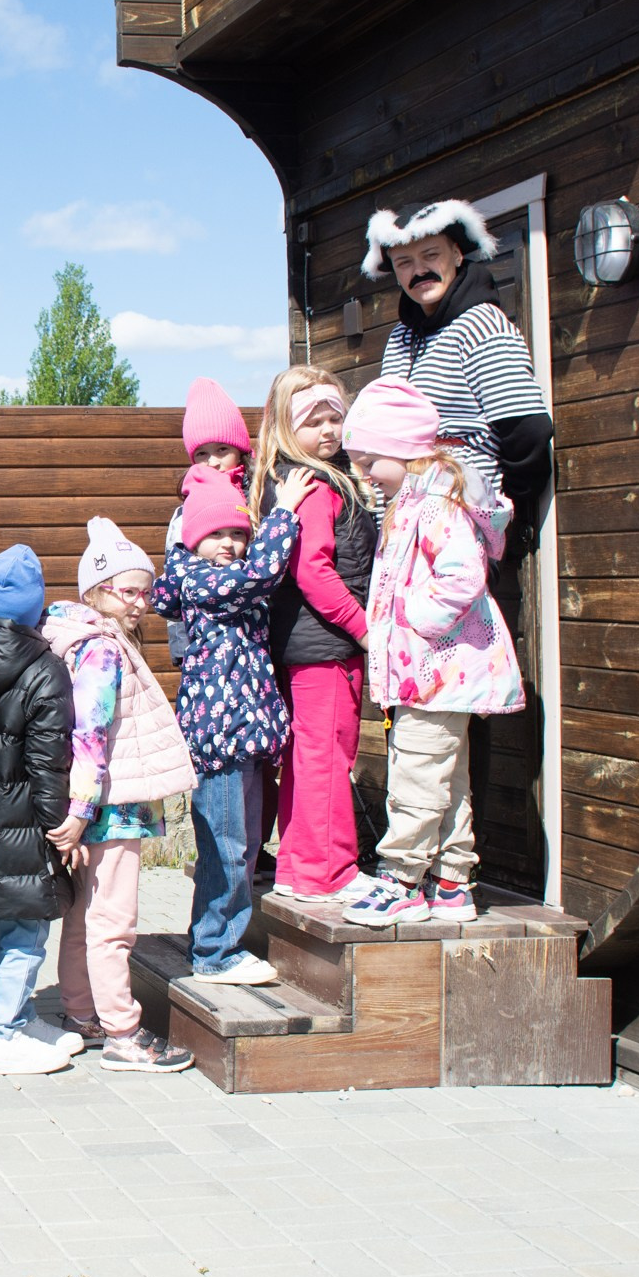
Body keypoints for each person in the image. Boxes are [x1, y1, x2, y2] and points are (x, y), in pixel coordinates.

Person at [339, 379, 524, 928]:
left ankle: (400, 880)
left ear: (404, 449)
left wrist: (414, 620)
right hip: (436, 673)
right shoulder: (414, 502)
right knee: (449, 778)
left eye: (370, 459)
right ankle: (451, 884)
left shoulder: (436, 507)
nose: (365, 473)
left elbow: (462, 577)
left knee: (416, 774)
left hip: (436, 669)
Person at [42, 518, 197, 1072]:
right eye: (129, 592)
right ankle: (123, 1034)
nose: (141, 603)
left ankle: (81, 1013)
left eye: (146, 592)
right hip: (110, 807)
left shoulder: (79, 640)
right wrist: (82, 810)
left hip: (93, 806)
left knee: (85, 916)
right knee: (114, 923)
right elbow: (89, 733)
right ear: (97, 591)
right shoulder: (103, 651)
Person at [152, 468, 312, 986]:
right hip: (220, 736)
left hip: (241, 732)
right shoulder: (204, 579)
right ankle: (215, 951)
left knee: (238, 844)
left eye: (238, 533)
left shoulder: (212, 578)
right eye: (216, 534)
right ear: (193, 539)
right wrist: (283, 513)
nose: (228, 544)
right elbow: (261, 575)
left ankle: (218, 942)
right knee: (226, 847)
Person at [248, 367, 379, 905]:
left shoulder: (289, 479)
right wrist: (366, 629)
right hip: (324, 648)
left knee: (308, 757)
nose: (328, 431)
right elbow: (315, 573)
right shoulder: (317, 486)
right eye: (312, 421)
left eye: (335, 417)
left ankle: (301, 869)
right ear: (283, 426)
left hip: (301, 646)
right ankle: (327, 873)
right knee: (326, 756)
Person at [364, 199, 554, 551]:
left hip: (460, 527)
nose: (418, 270)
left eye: (431, 255)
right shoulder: (399, 339)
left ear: (457, 255)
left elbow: (525, 428)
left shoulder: (481, 324)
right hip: (405, 528)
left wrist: (498, 512)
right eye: (404, 262)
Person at [0, 545, 78, 1075]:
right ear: (36, 612)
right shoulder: (46, 669)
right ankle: (4, 1029)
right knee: (29, 930)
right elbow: (47, 762)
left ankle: (21, 1014)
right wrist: (61, 829)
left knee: (2, 923)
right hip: (29, 824)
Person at [165, 378, 254, 669]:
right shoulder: (187, 512)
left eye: (221, 450)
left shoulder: (259, 497)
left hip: (258, 634)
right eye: (201, 453)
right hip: (205, 640)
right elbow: (177, 574)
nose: (212, 462)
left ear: (240, 450)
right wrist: (181, 643)